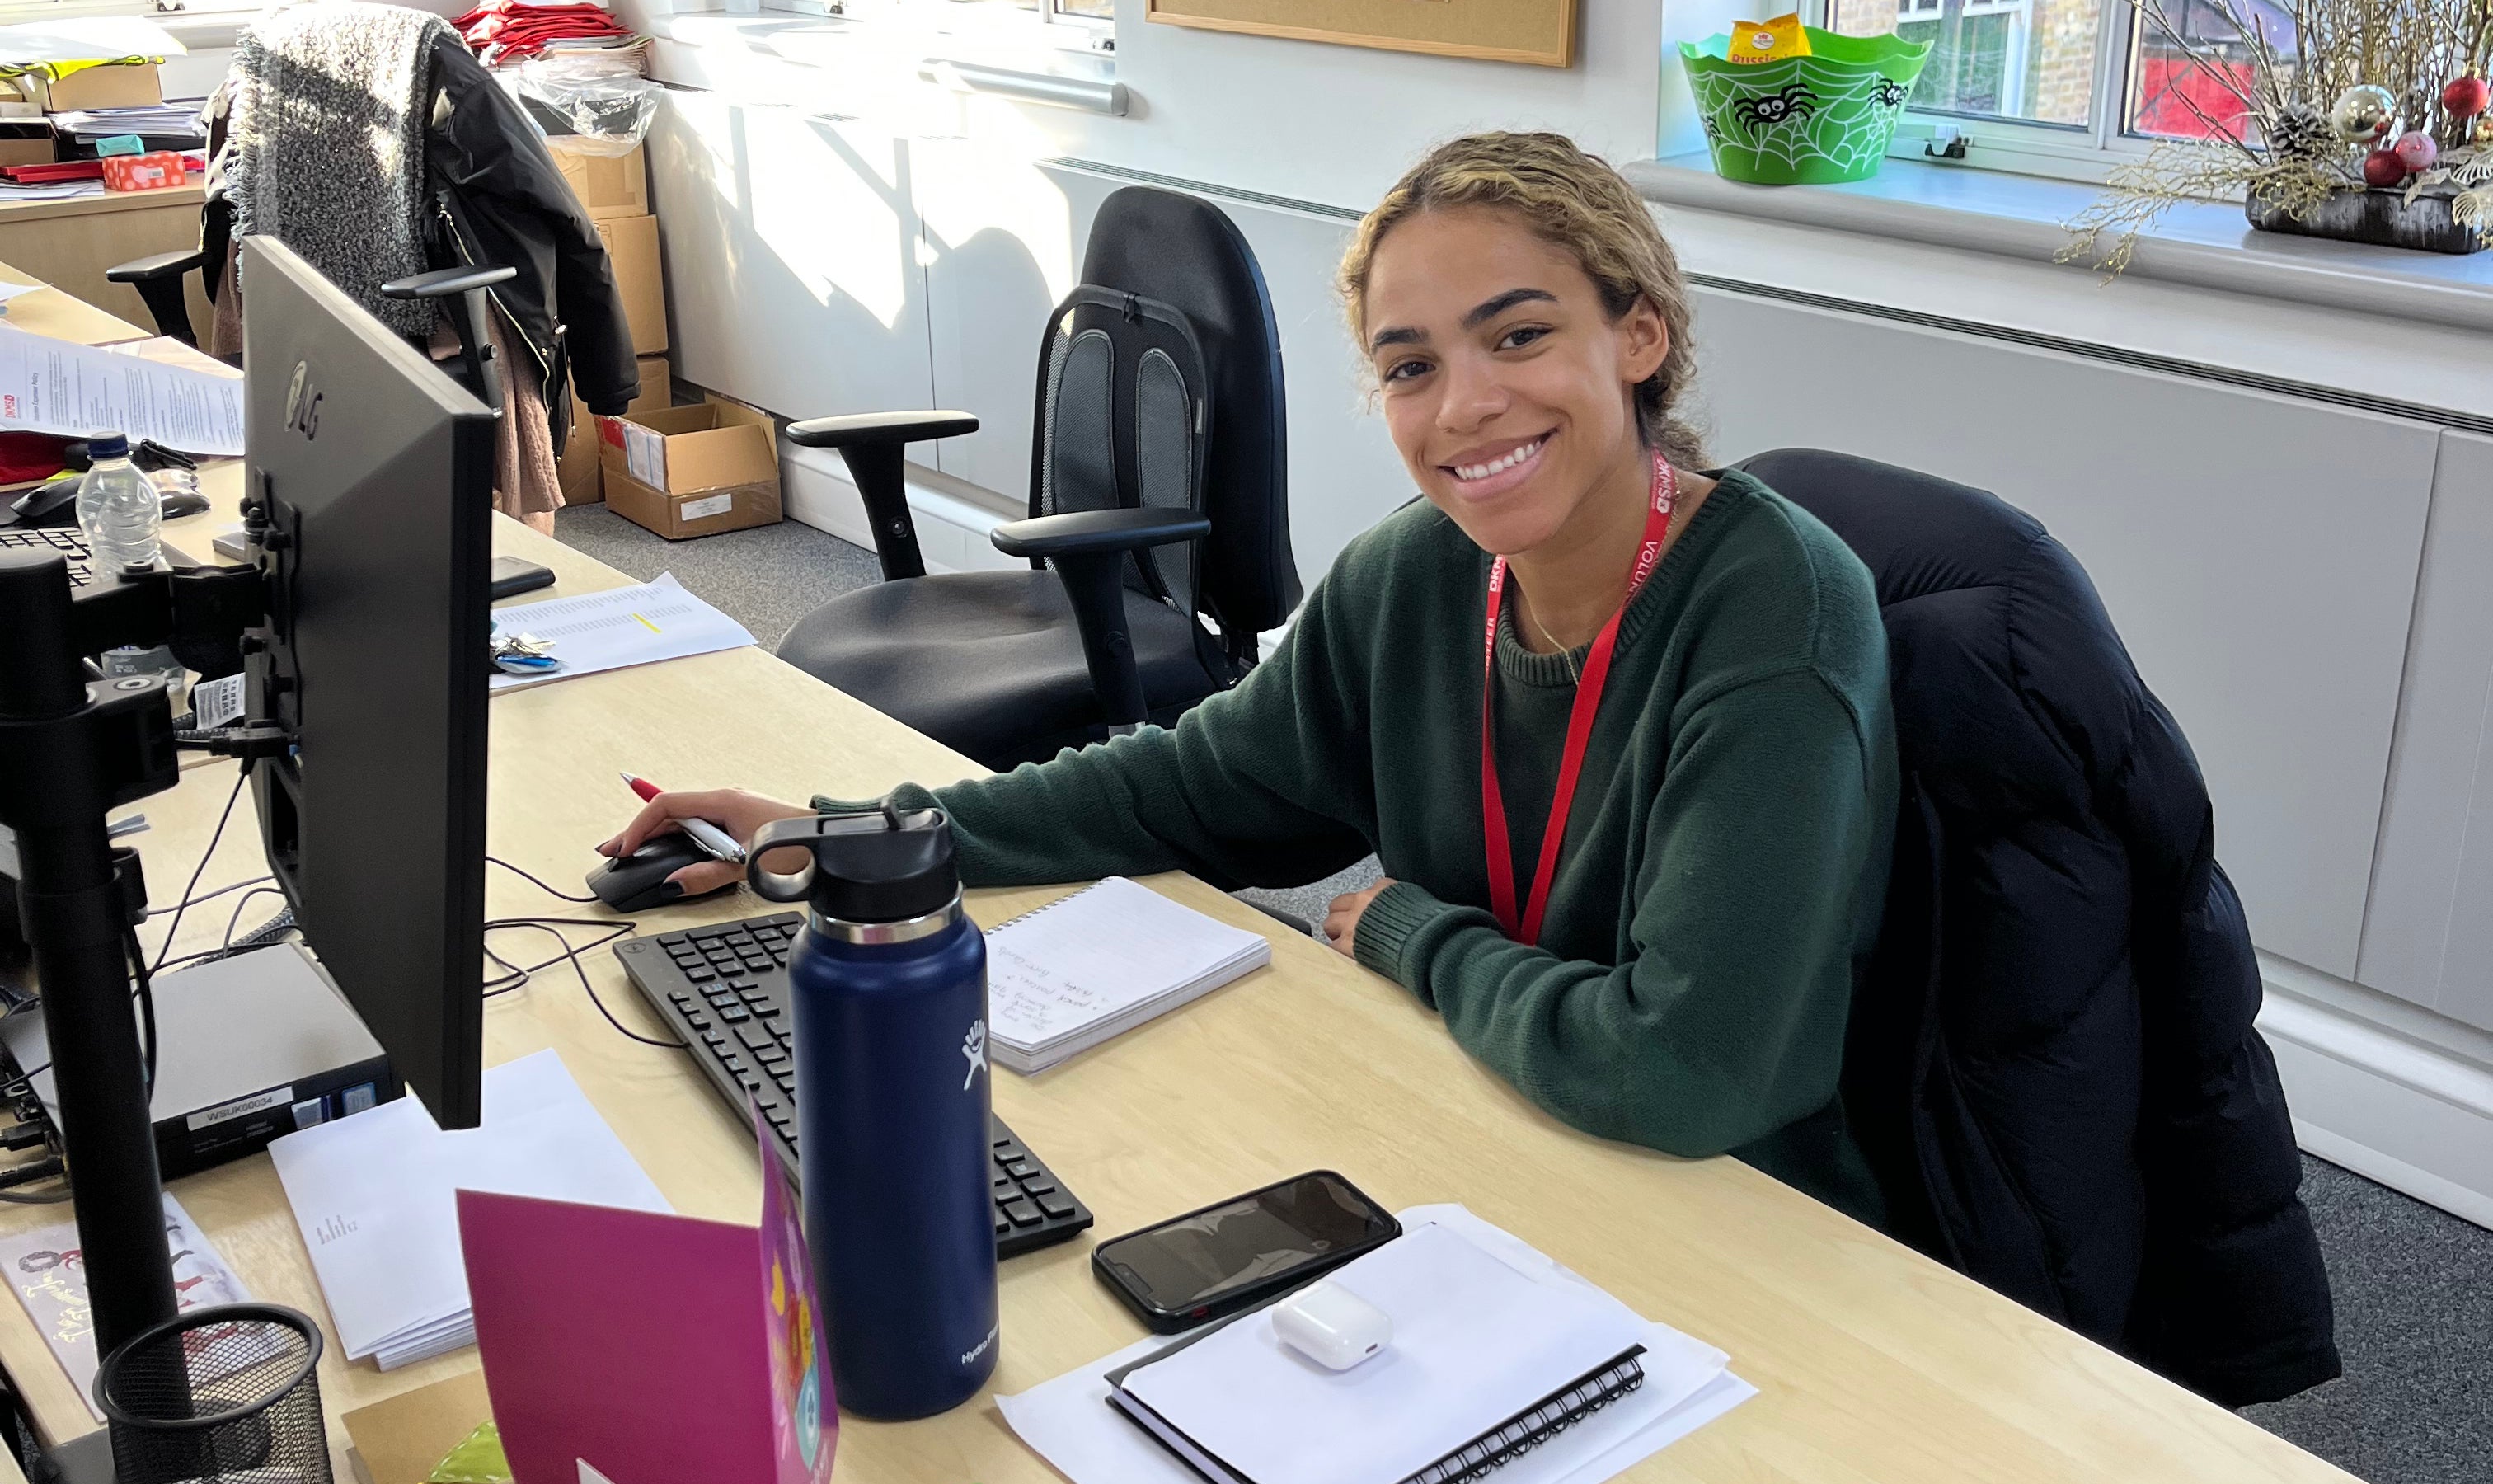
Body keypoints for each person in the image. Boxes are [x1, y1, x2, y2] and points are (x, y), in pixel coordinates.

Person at [602, 132, 1898, 1221]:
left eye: (1518, 336)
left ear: (1640, 336)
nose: (1464, 406)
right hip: (1481, 1121)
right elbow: (1184, 787)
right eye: (1411, 366)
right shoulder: (1420, 574)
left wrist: (1407, 931)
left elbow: (1682, 1074)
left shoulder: (1774, 617)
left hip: (1726, 1211)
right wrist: (861, 838)